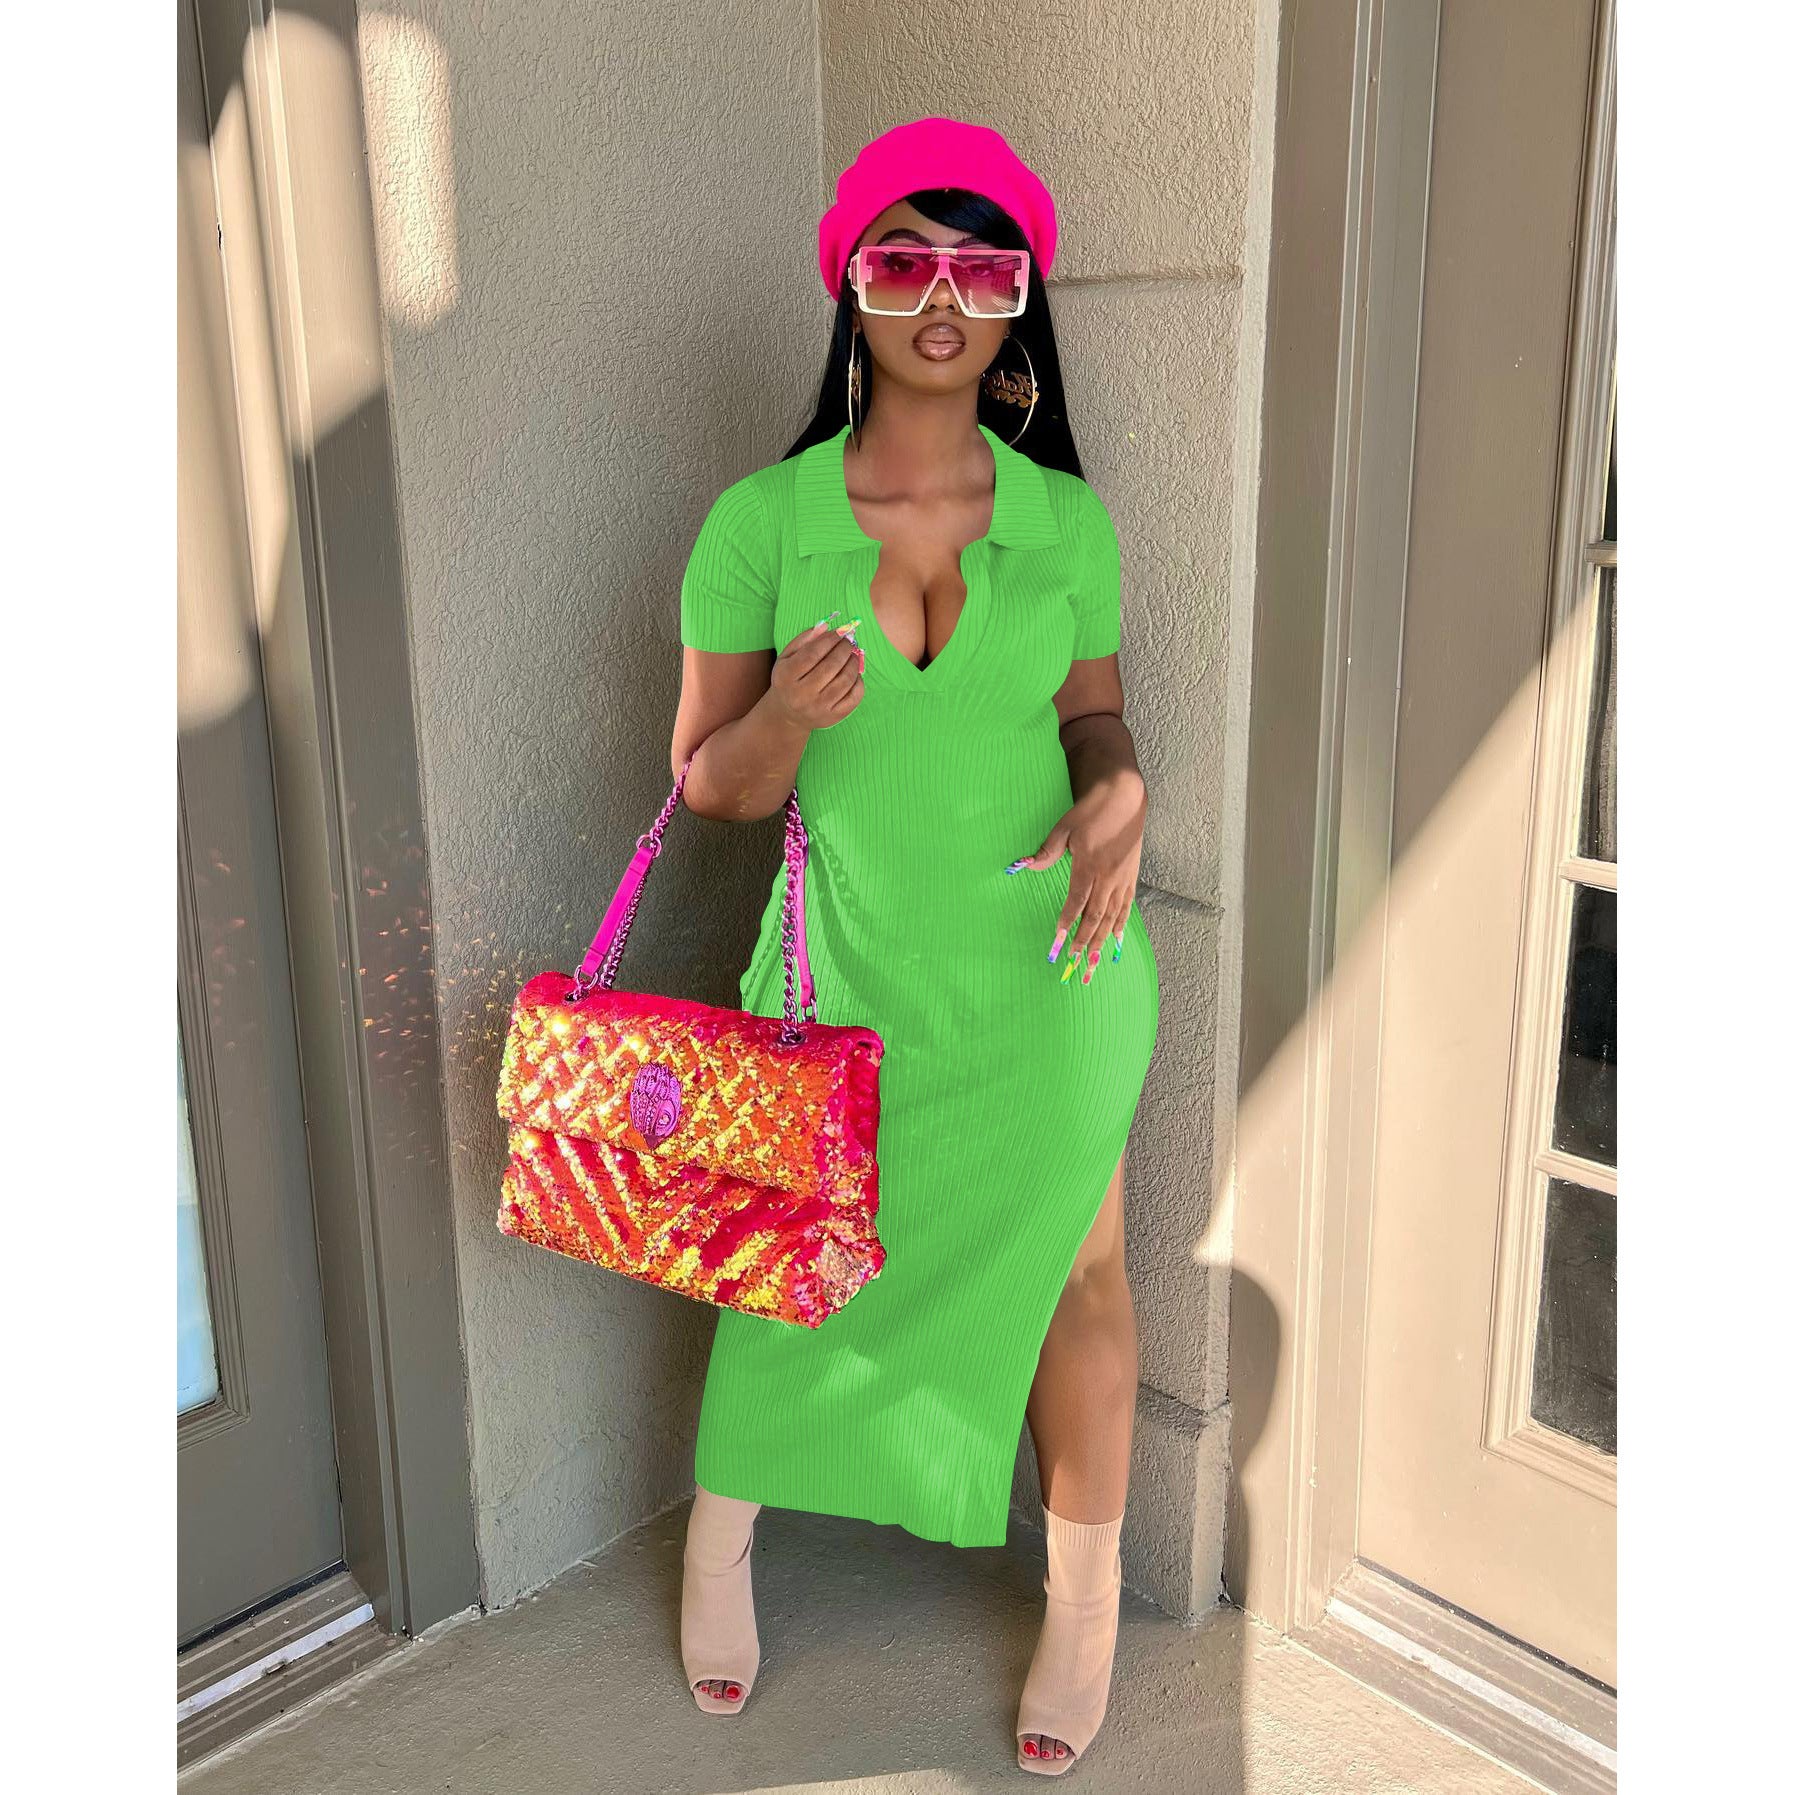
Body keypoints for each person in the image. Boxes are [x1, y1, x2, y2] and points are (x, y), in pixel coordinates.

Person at [670, 116, 1161, 1778]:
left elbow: (1093, 721)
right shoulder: (762, 521)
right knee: (779, 1272)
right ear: (851, 285)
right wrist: (787, 722)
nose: (942, 298)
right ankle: (720, 1553)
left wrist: (1122, 787)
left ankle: (1082, 1613)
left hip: (1055, 968)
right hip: (850, 973)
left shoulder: (1068, 522)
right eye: (904, 261)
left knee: (1081, 1278)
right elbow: (709, 785)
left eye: (981, 266)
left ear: (1021, 296)